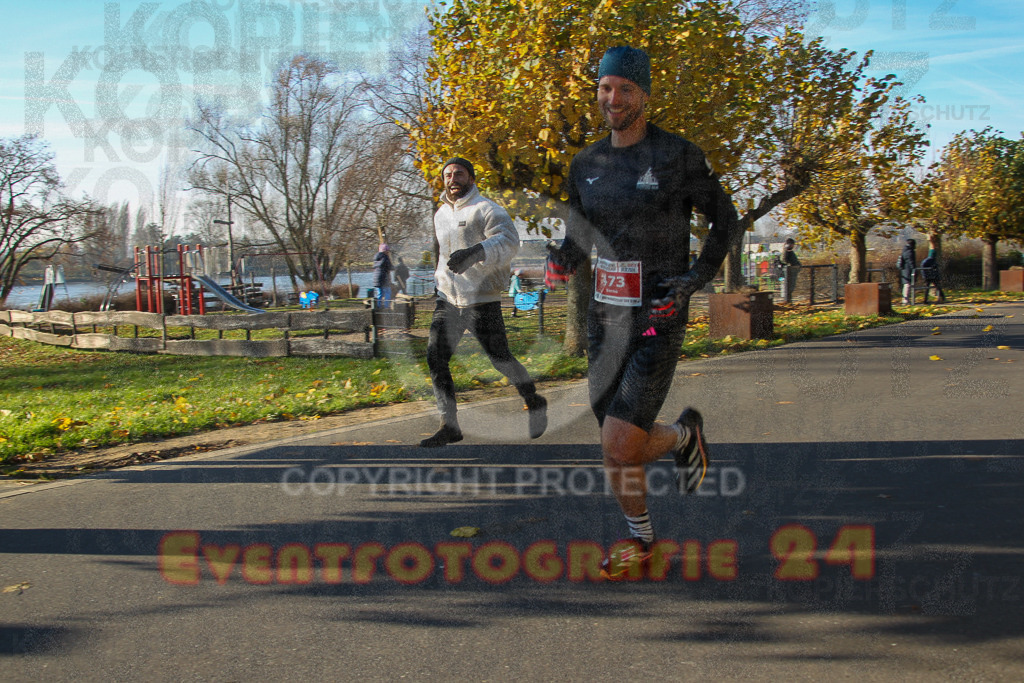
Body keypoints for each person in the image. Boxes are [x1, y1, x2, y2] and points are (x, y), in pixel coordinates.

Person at [545, 46, 742, 580]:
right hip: (604, 319)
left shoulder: (678, 155)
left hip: (658, 312)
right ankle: (646, 537)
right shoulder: (584, 165)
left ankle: (680, 439)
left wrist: (694, 280)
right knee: (616, 445)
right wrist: (562, 259)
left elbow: (726, 222)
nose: (614, 98)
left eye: (626, 89)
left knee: (619, 440)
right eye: (606, 87)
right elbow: (578, 237)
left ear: (645, 97)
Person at [421, 157, 548, 448]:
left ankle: (534, 399)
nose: (453, 179)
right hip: (448, 300)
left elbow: (509, 242)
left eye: (459, 174)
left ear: (471, 177)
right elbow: (443, 254)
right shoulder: (440, 214)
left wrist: (477, 251)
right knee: (435, 357)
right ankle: (449, 425)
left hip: (482, 300)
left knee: (500, 359)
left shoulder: (487, 209)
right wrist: (439, 280)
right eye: (448, 175)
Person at [779, 237, 801, 301]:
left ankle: (789, 300)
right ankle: (787, 300)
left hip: (793, 271)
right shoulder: (786, 252)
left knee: (791, 287)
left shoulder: (790, 252)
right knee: (788, 287)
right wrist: (790, 265)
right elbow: (784, 260)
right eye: (792, 244)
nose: (793, 246)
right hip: (789, 272)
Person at [897, 238, 917, 305]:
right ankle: (906, 300)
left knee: (906, 284)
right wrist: (914, 269)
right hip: (908, 270)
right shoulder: (910, 252)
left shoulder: (905, 250)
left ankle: (905, 299)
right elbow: (911, 262)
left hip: (904, 270)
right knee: (908, 285)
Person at [373, 244, 393, 309]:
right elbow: (390, 267)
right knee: (388, 292)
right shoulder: (385, 257)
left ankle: (378, 306)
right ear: (386, 250)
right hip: (384, 278)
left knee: (380, 293)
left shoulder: (376, 258)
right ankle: (386, 306)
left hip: (376, 278)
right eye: (387, 251)